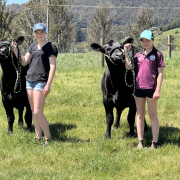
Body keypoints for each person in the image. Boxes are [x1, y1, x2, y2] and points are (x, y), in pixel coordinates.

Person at [11, 23, 58, 145]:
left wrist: (48, 84)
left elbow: (52, 67)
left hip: (41, 82)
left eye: (41, 32)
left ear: (45, 33)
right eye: (36, 33)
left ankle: (48, 137)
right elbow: (24, 62)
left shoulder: (50, 47)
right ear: (34, 34)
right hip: (29, 81)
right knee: (33, 112)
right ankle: (38, 137)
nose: (39, 34)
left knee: (38, 112)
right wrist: (16, 50)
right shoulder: (32, 46)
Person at [124, 30, 165, 149]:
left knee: (153, 115)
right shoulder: (138, 55)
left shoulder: (158, 55)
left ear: (152, 39)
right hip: (139, 88)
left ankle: (154, 142)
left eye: (147, 40)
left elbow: (160, 74)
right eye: (143, 40)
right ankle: (140, 141)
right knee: (140, 114)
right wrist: (127, 53)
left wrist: (157, 90)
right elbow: (128, 67)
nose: (145, 42)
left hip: (151, 88)